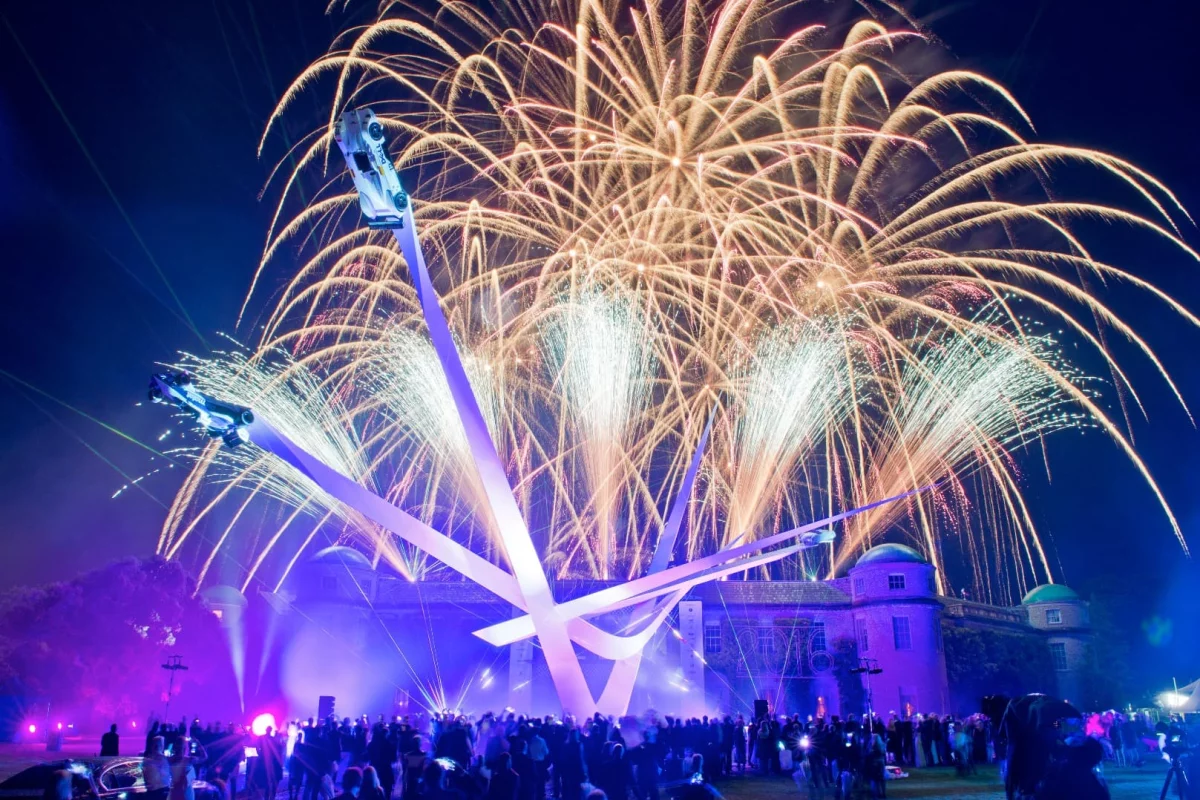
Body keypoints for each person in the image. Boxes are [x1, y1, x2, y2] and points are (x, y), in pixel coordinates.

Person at [170, 735, 210, 800]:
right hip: (180, 792)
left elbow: (204, 757)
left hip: (181, 792)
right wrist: (198, 743)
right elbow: (204, 757)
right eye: (179, 746)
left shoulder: (171, 760)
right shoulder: (188, 760)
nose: (179, 748)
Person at [145, 735, 172, 800]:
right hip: (161, 791)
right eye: (163, 744)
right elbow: (166, 776)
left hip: (150, 791)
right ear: (160, 745)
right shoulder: (162, 758)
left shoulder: (147, 758)